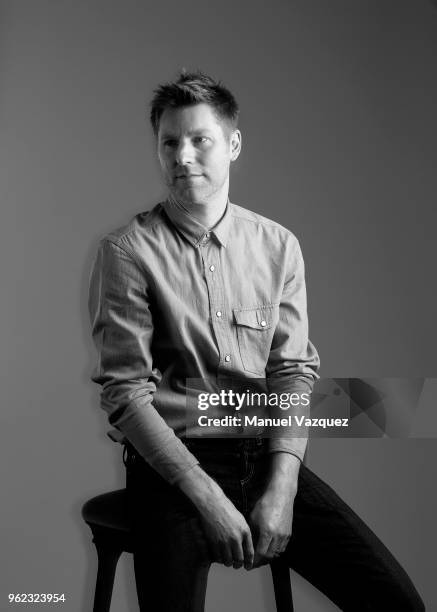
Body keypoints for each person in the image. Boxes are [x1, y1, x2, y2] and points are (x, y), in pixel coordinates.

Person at [88, 71, 425, 611]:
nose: (183, 156)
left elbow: (292, 372)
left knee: (397, 602)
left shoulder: (278, 246)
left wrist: (283, 487)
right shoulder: (128, 252)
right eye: (169, 143)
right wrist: (208, 499)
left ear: (233, 144)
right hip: (172, 468)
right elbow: (126, 395)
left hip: (264, 454)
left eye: (200, 140)